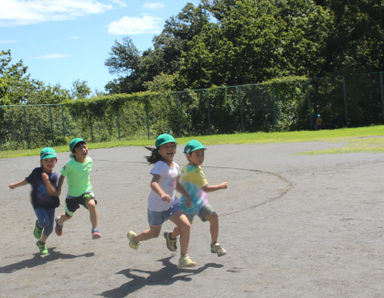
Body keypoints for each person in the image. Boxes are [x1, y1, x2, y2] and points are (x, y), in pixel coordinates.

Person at [127, 133, 197, 269]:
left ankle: (184, 257)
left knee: (186, 226)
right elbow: (153, 183)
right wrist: (162, 194)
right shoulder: (160, 165)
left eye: (173, 146)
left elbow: (176, 184)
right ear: (159, 150)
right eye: (166, 147)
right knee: (154, 234)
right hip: (157, 207)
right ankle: (135, 239)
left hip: (171, 204)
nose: (170, 149)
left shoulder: (175, 166)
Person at [164, 140, 228, 257]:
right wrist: (221, 186)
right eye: (197, 154)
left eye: (202, 154)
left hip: (200, 202)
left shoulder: (191, 167)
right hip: (188, 204)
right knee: (182, 227)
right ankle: (171, 236)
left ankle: (214, 244)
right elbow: (205, 188)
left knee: (213, 217)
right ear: (188, 156)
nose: (201, 157)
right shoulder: (193, 171)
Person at [8, 147, 60, 255]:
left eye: (52, 160)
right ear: (41, 161)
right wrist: (15, 185)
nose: (49, 163)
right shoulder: (36, 172)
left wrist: (47, 181)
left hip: (50, 204)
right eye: (46, 160)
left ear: (56, 161)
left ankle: (41, 243)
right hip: (38, 203)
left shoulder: (54, 176)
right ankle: (38, 225)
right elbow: (27, 180)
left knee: (50, 228)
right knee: (44, 222)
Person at [55, 138, 101, 239]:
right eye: (80, 149)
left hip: (86, 191)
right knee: (68, 216)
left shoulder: (90, 161)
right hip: (72, 195)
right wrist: (58, 189)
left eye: (85, 147)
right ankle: (59, 221)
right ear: (74, 152)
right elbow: (62, 176)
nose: (84, 150)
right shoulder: (69, 165)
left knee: (92, 205)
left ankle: (95, 229)